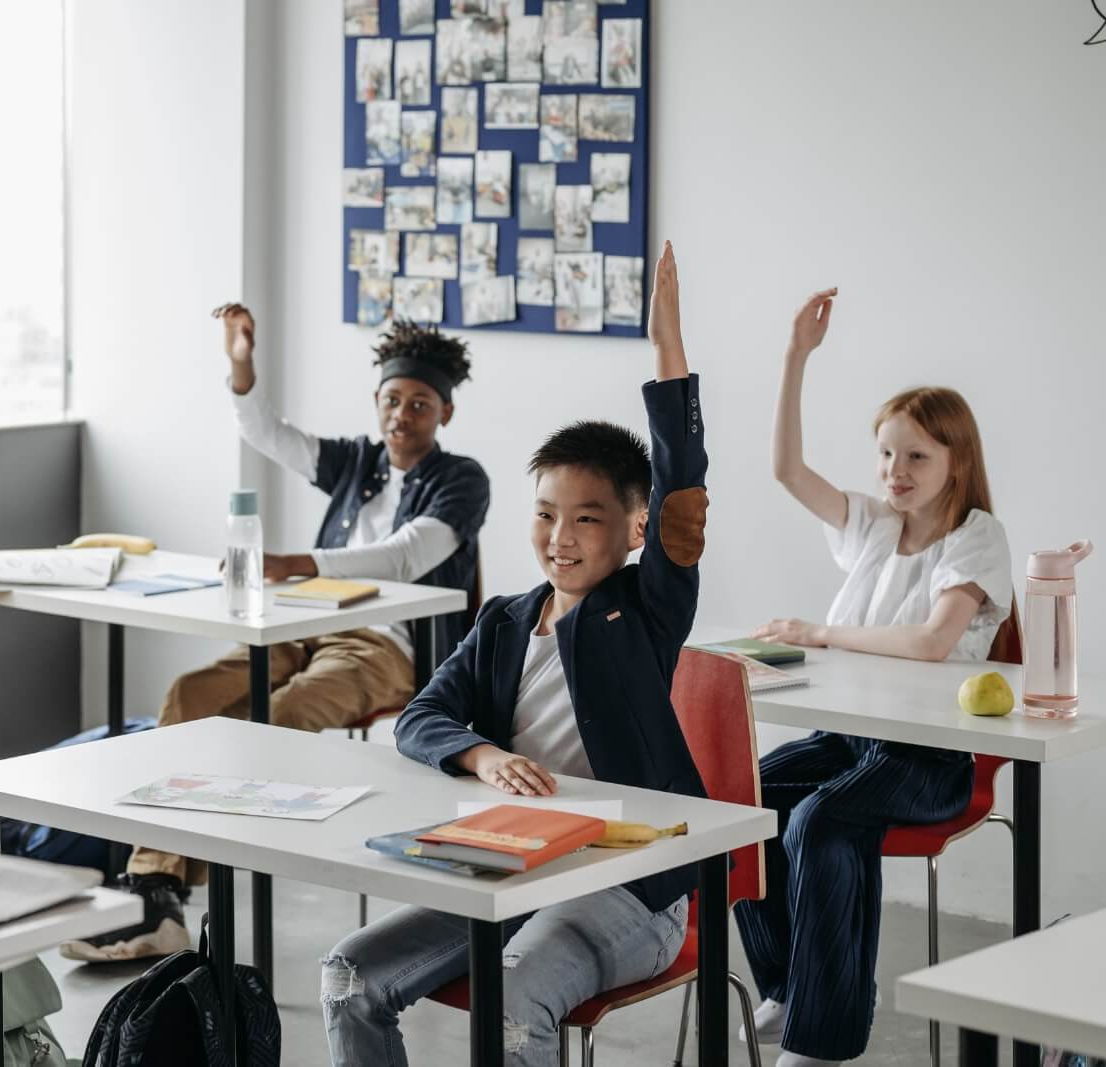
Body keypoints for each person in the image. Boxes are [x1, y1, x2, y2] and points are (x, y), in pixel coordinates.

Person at [319, 243, 705, 1067]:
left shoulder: (644, 611)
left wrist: (668, 350)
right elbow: (422, 716)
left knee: (512, 997)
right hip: (512, 864)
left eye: (588, 518)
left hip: (628, 885)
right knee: (349, 975)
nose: (561, 537)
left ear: (636, 529)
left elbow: (681, 493)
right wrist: (485, 755)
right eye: (545, 514)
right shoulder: (503, 620)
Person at [63, 306, 490, 963]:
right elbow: (267, 432)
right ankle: (158, 889)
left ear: (445, 413)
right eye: (392, 400)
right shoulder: (358, 462)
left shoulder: (462, 479)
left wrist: (298, 562)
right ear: (377, 403)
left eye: (420, 405)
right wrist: (241, 363)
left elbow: (407, 556)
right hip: (306, 623)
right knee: (192, 693)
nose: (402, 415)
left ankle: (158, 890)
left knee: (277, 716)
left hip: (388, 648)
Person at [734, 288, 1014, 1067]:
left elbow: (932, 641)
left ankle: (823, 1038)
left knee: (821, 821)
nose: (896, 470)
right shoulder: (872, 526)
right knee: (742, 800)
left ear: (958, 461)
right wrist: (796, 356)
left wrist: (819, 632)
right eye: (887, 454)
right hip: (850, 738)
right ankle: (793, 987)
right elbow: (786, 469)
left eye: (917, 456)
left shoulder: (977, 538)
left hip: (930, 757)